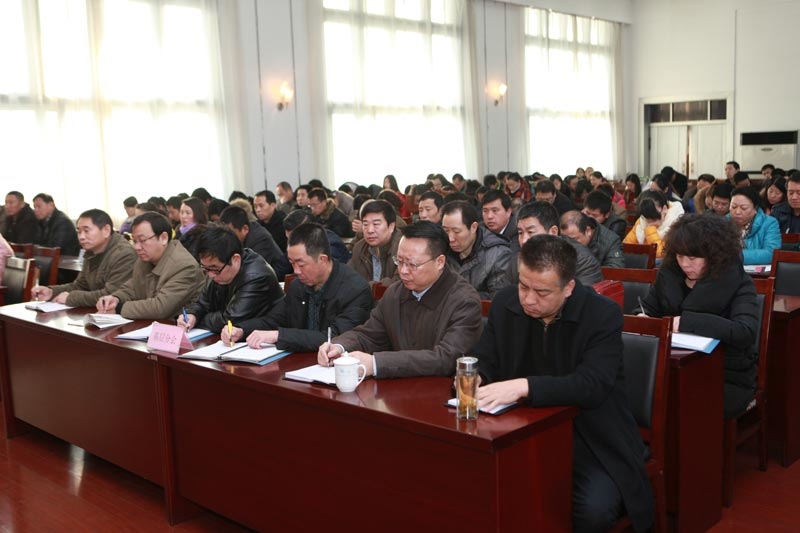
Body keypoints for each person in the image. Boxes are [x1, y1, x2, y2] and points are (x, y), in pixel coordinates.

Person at [473, 234, 653, 532]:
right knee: (481, 487)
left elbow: (592, 384)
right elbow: (486, 358)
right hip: (519, 431)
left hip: (589, 436)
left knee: (592, 511)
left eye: (541, 292)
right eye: (523, 286)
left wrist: (525, 386)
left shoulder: (601, 314)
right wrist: (477, 376)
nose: (528, 299)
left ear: (569, 287)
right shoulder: (506, 303)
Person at [318, 221, 482, 378]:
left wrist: (376, 363)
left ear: (440, 262)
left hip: (441, 390)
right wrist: (339, 346)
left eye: (412, 264)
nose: (403, 271)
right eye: (399, 261)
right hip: (398, 387)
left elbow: (445, 358)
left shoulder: (464, 301)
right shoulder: (396, 292)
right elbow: (370, 335)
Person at [641, 213, 759, 420]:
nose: (685, 264)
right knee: (638, 393)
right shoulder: (669, 275)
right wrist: (641, 318)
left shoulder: (737, 282)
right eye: (679, 256)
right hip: (670, 367)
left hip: (725, 374)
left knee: (680, 404)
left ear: (714, 256)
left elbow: (744, 331)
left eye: (693, 258)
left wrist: (686, 322)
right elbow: (648, 308)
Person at [223, 223, 373, 352]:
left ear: (322, 259)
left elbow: (336, 337)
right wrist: (241, 330)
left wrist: (279, 336)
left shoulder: (356, 290)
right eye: (292, 263)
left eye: (301, 264)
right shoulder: (298, 285)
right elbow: (273, 320)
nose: (296, 271)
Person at [96, 212, 205, 319]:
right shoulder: (145, 259)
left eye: (142, 240)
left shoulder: (184, 266)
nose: (137, 247)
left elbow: (160, 308)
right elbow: (133, 288)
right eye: (135, 241)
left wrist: (119, 308)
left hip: (178, 326)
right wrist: (115, 298)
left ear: (163, 238)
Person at [179, 226, 283, 332]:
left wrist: (200, 319)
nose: (211, 275)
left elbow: (229, 320)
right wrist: (192, 315)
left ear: (235, 259)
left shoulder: (257, 277)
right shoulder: (216, 269)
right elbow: (202, 303)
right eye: (205, 269)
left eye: (214, 269)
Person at [31, 209, 136, 306]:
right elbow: (80, 285)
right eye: (79, 232)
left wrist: (71, 298)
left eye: (86, 231)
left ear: (106, 230)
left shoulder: (124, 254)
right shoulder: (91, 251)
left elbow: (112, 295)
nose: (81, 237)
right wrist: (52, 292)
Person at [515, 201, 602, 286]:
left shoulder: (582, 261)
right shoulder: (520, 257)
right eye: (520, 233)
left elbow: (583, 294)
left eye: (530, 232)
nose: (524, 240)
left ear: (553, 232)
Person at [442, 200, 513, 299]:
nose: (450, 238)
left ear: (473, 227)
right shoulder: (441, 247)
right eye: (446, 231)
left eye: (456, 231)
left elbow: (499, 298)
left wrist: (458, 297)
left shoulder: (498, 254)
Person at [219, 205, 291, 280]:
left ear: (245, 229)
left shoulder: (260, 239)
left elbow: (249, 269)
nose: (226, 237)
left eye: (231, 233)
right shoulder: (234, 238)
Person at [348, 199, 401, 286]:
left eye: (376, 224)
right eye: (365, 224)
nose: (370, 230)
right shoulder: (359, 247)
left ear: (391, 226)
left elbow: (399, 283)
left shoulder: (403, 249)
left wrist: (365, 288)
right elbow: (347, 277)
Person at [623, 190, 685, 258]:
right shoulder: (642, 220)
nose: (650, 222)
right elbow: (625, 246)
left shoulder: (676, 223)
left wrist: (650, 229)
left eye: (654, 219)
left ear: (664, 209)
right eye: (647, 219)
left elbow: (660, 254)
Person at [727, 186, 781, 265]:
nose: (737, 212)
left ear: (755, 208)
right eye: (733, 207)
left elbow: (771, 253)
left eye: (743, 208)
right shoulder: (722, 223)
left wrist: (737, 256)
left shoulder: (769, 223)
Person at [284, 209, 350, 263]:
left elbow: (327, 271)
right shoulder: (300, 244)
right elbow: (283, 265)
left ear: (307, 230)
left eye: (292, 236)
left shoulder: (330, 245)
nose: (287, 236)